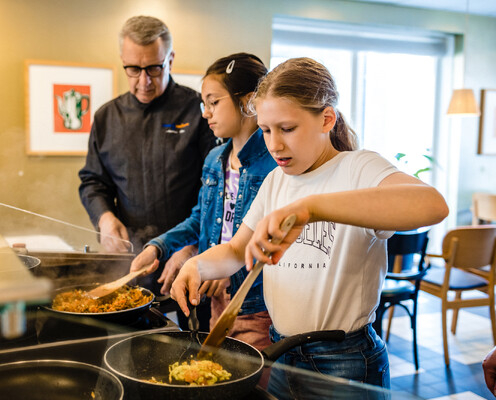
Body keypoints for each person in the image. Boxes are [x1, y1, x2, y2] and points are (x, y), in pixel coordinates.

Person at [170, 57, 449, 398]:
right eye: (266, 130)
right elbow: (235, 249)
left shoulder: (356, 168)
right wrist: (197, 264)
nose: (274, 144)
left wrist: (310, 207)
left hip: (344, 358)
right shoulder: (275, 181)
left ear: (326, 119)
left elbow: (433, 204)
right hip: (283, 352)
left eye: (287, 129)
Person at [129, 53, 275, 349]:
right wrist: (158, 245)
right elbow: (198, 220)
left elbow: (272, 241)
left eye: (214, 102)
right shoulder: (214, 160)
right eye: (203, 104)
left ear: (249, 101)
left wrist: (226, 269)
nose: (206, 113)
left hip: (258, 305)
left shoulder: (274, 165)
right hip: (217, 299)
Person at [78, 16, 217, 292]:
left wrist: (191, 245)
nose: (144, 81)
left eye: (154, 68)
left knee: (194, 334)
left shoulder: (199, 111)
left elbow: (215, 188)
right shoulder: (107, 117)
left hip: (191, 255)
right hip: (131, 258)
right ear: (122, 60)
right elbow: (93, 182)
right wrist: (104, 218)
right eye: (133, 69)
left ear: (170, 59)